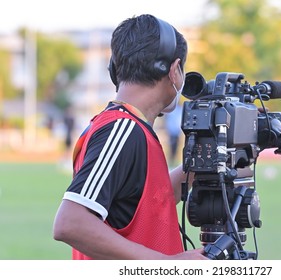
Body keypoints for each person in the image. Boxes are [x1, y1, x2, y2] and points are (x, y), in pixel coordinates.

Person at [53, 14, 207, 260]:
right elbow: (71, 222)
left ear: (115, 68)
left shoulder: (131, 128)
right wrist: (166, 265)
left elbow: (144, 205)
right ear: (174, 70)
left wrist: (198, 166)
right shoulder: (122, 129)